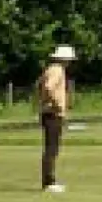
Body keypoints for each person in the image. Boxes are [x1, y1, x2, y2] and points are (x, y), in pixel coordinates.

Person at [36, 45, 75, 193]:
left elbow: (39, 86)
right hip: (52, 113)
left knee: (52, 147)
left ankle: (49, 180)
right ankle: (48, 182)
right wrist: (58, 104)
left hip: (49, 111)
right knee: (52, 148)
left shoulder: (51, 69)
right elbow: (48, 87)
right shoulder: (57, 70)